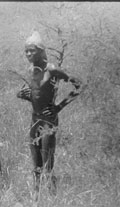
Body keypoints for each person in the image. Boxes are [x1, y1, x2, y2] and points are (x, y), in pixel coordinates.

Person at [17, 31, 82, 195]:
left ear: (40, 51)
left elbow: (80, 85)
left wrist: (58, 107)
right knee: (36, 165)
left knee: (47, 163)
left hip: (49, 121)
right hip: (35, 120)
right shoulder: (31, 70)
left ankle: (52, 199)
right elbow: (37, 94)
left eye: (32, 50)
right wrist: (26, 96)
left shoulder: (51, 69)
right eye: (26, 51)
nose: (29, 54)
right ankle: (37, 200)